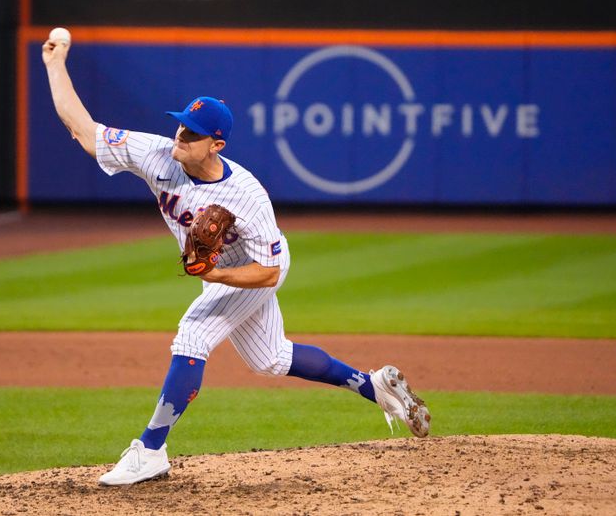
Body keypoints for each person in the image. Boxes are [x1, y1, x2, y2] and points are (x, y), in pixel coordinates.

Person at [42, 34, 431, 487]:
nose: (180, 136)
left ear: (217, 145)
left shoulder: (246, 195)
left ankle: (149, 450)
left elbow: (267, 272)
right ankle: (372, 384)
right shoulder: (157, 154)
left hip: (257, 269)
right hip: (224, 272)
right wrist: (55, 63)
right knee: (271, 358)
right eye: (180, 126)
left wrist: (216, 274)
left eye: (192, 133)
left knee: (193, 333)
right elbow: (85, 130)